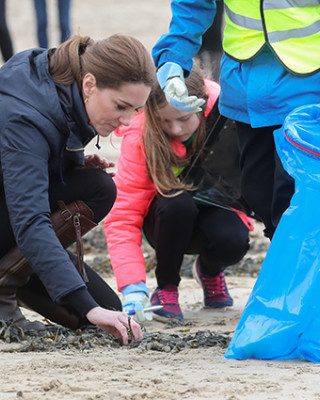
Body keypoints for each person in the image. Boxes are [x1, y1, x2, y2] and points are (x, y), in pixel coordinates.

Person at [0, 33, 155, 343]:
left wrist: (69, 163)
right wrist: (86, 306)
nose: (126, 122)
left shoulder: (64, 91)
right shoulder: (24, 116)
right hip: (19, 222)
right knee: (91, 310)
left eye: (135, 111)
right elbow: (30, 221)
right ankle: (4, 288)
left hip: (11, 215)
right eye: (121, 106)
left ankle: (12, 273)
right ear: (89, 84)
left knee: (98, 186)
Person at [151, 1, 320, 239]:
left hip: (309, 87)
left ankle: (293, 273)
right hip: (245, 87)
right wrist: (173, 60)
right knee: (259, 194)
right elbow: (193, 3)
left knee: (293, 201)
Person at [104, 63, 253, 322]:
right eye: (165, 121)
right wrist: (132, 287)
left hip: (216, 206)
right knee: (178, 202)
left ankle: (210, 270)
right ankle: (166, 289)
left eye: (184, 119)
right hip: (165, 218)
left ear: (203, 106)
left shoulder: (226, 115)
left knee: (233, 240)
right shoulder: (141, 134)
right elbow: (123, 214)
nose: (176, 130)